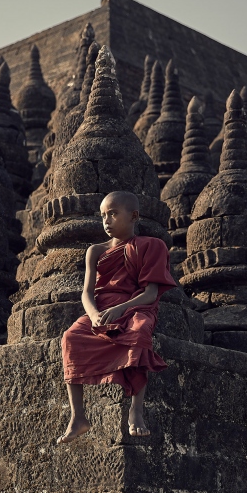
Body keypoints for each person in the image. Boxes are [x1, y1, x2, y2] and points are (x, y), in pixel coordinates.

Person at [58, 190, 177, 444]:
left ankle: (136, 410)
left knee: (139, 333)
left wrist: (122, 309)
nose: (106, 221)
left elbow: (150, 293)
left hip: (135, 307)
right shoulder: (95, 251)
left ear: (134, 216)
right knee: (70, 338)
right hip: (101, 309)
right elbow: (86, 293)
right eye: (103, 216)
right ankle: (78, 416)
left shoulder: (151, 246)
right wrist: (93, 315)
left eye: (113, 214)